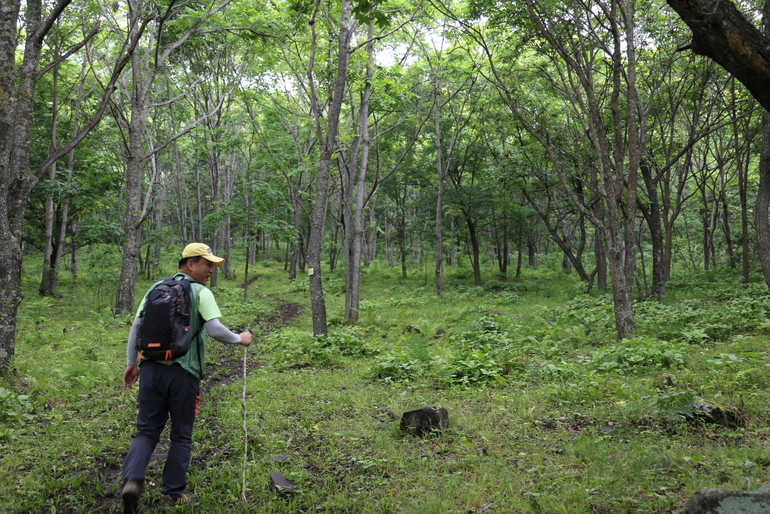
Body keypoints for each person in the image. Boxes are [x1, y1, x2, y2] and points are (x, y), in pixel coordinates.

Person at [119, 243, 252, 512]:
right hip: (183, 374)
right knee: (181, 435)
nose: (211, 271)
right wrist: (240, 339)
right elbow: (215, 329)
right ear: (190, 264)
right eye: (207, 265)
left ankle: (132, 483)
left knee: (146, 431)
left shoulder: (155, 288)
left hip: (151, 371)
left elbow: (137, 327)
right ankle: (172, 495)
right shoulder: (200, 292)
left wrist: (132, 362)